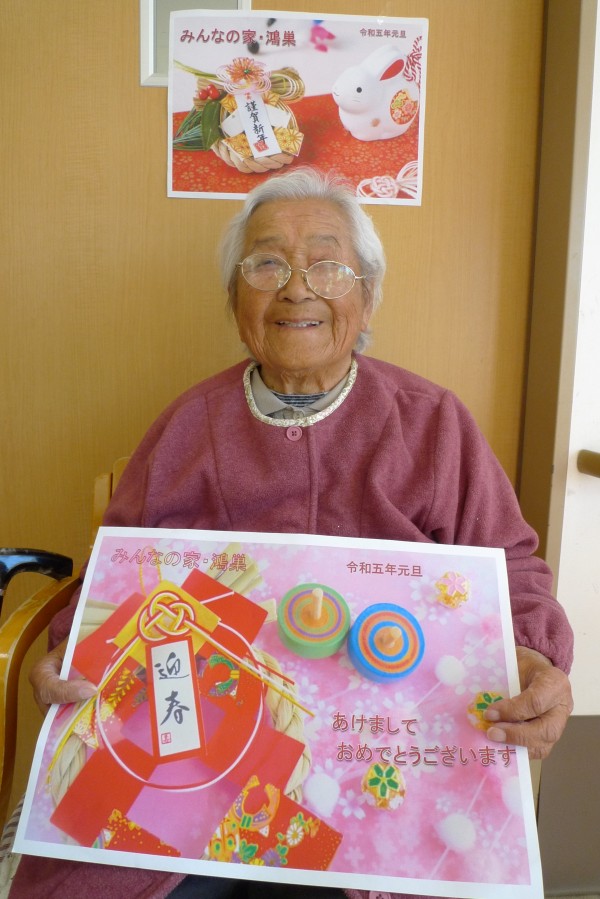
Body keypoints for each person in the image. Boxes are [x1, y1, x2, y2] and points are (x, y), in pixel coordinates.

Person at [12, 167, 573, 899]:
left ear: (368, 295)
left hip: (379, 773)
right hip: (193, 767)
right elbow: (112, 580)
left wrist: (531, 654)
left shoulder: (433, 423)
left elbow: (513, 569)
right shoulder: (185, 427)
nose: (297, 287)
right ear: (235, 298)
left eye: (327, 265)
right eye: (267, 263)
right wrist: (69, 649)